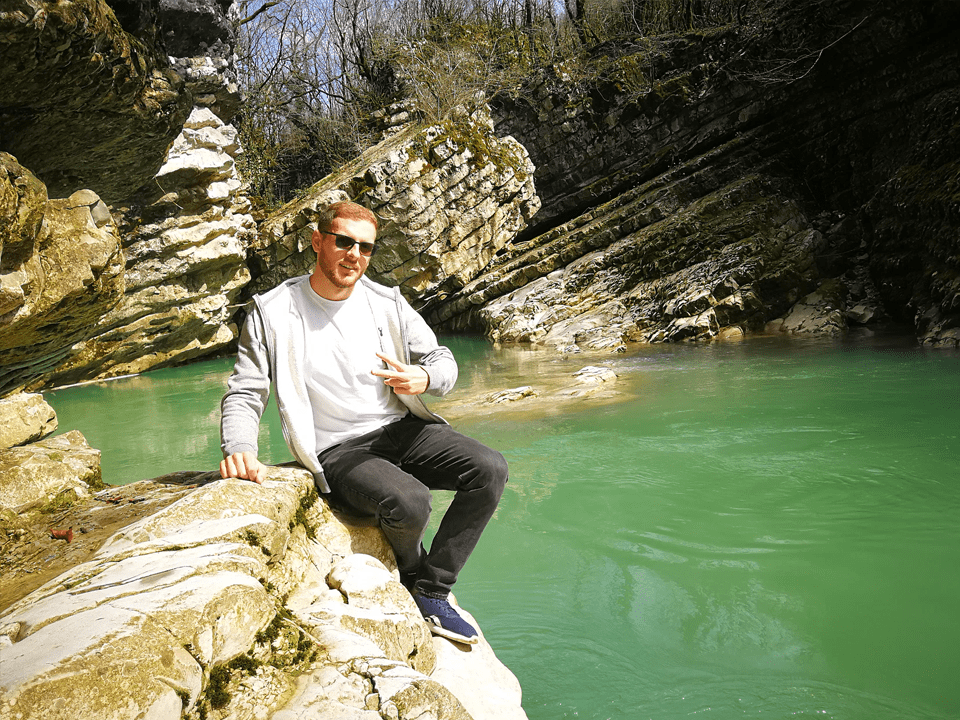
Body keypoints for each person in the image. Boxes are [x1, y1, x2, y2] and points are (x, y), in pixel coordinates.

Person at [219, 200, 508, 644]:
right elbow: (246, 389)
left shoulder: (385, 302)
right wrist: (239, 447)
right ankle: (413, 576)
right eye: (344, 241)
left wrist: (425, 377)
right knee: (410, 502)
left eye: (366, 247)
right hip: (340, 449)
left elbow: (441, 360)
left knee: (490, 469)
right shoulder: (271, 312)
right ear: (318, 242)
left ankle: (433, 590)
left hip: (404, 429)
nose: (354, 254)